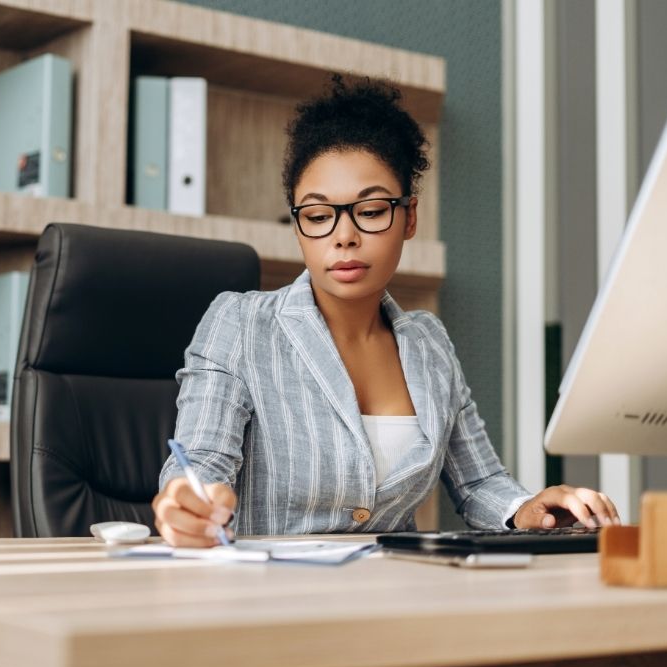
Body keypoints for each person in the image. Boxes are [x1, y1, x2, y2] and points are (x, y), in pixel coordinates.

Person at [152, 76, 619, 548]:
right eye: (317, 216)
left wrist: (527, 508)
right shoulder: (241, 325)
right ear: (298, 226)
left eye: (371, 211)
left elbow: (480, 484)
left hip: (396, 594)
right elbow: (200, 462)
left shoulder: (429, 342)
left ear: (409, 217)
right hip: (270, 598)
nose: (344, 236)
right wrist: (184, 503)